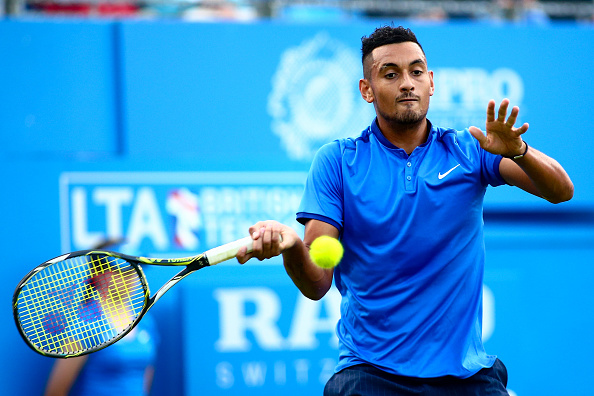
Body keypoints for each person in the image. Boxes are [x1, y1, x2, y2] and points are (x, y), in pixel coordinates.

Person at [236, 25, 573, 395]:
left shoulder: (471, 150)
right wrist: (291, 247)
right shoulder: (336, 161)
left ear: (431, 81)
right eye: (390, 74)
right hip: (371, 374)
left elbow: (560, 191)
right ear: (367, 90)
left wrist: (519, 151)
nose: (407, 83)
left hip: (467, 375)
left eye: (416, 71)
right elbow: (317, 282)